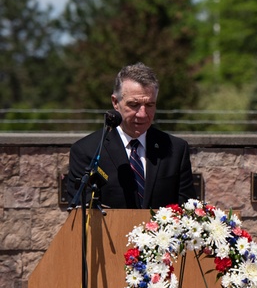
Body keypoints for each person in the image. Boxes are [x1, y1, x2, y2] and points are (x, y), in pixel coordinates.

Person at [67, 62, 196, 209]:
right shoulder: (87, 150)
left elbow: (188, 209)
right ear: (116, 102)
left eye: (149, 105)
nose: (142, 114)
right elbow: (82, 211)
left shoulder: (176, 149)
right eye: (134, 105)